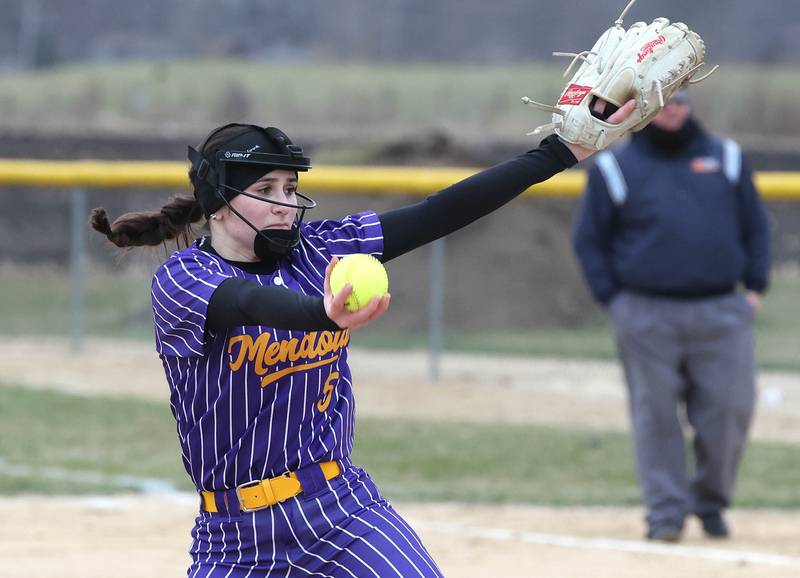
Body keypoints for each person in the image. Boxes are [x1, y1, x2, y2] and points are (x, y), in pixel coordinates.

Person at [90, 99, 635, 577]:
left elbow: (438, 212)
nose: (284, 201)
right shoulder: (184, 279)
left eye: (290, 187)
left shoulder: (321, 249)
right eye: (264, 189)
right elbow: (247, 302)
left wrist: (560, 151)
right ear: (218, 202)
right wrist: (321, 314)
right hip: (237, 538)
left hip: (342, 509)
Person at [573, 90, 771, 543]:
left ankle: (710, 499)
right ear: (644, 109)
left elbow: (757, 227)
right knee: (655, 415)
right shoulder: (614, 167)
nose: (673, 108)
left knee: (728, 411)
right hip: (645, 312)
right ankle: (665, 513)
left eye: (679, 100)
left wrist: (755, 288)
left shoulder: (728, 158)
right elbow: (589, 240)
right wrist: (614, 300)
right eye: (661, 102)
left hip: (721, 309)